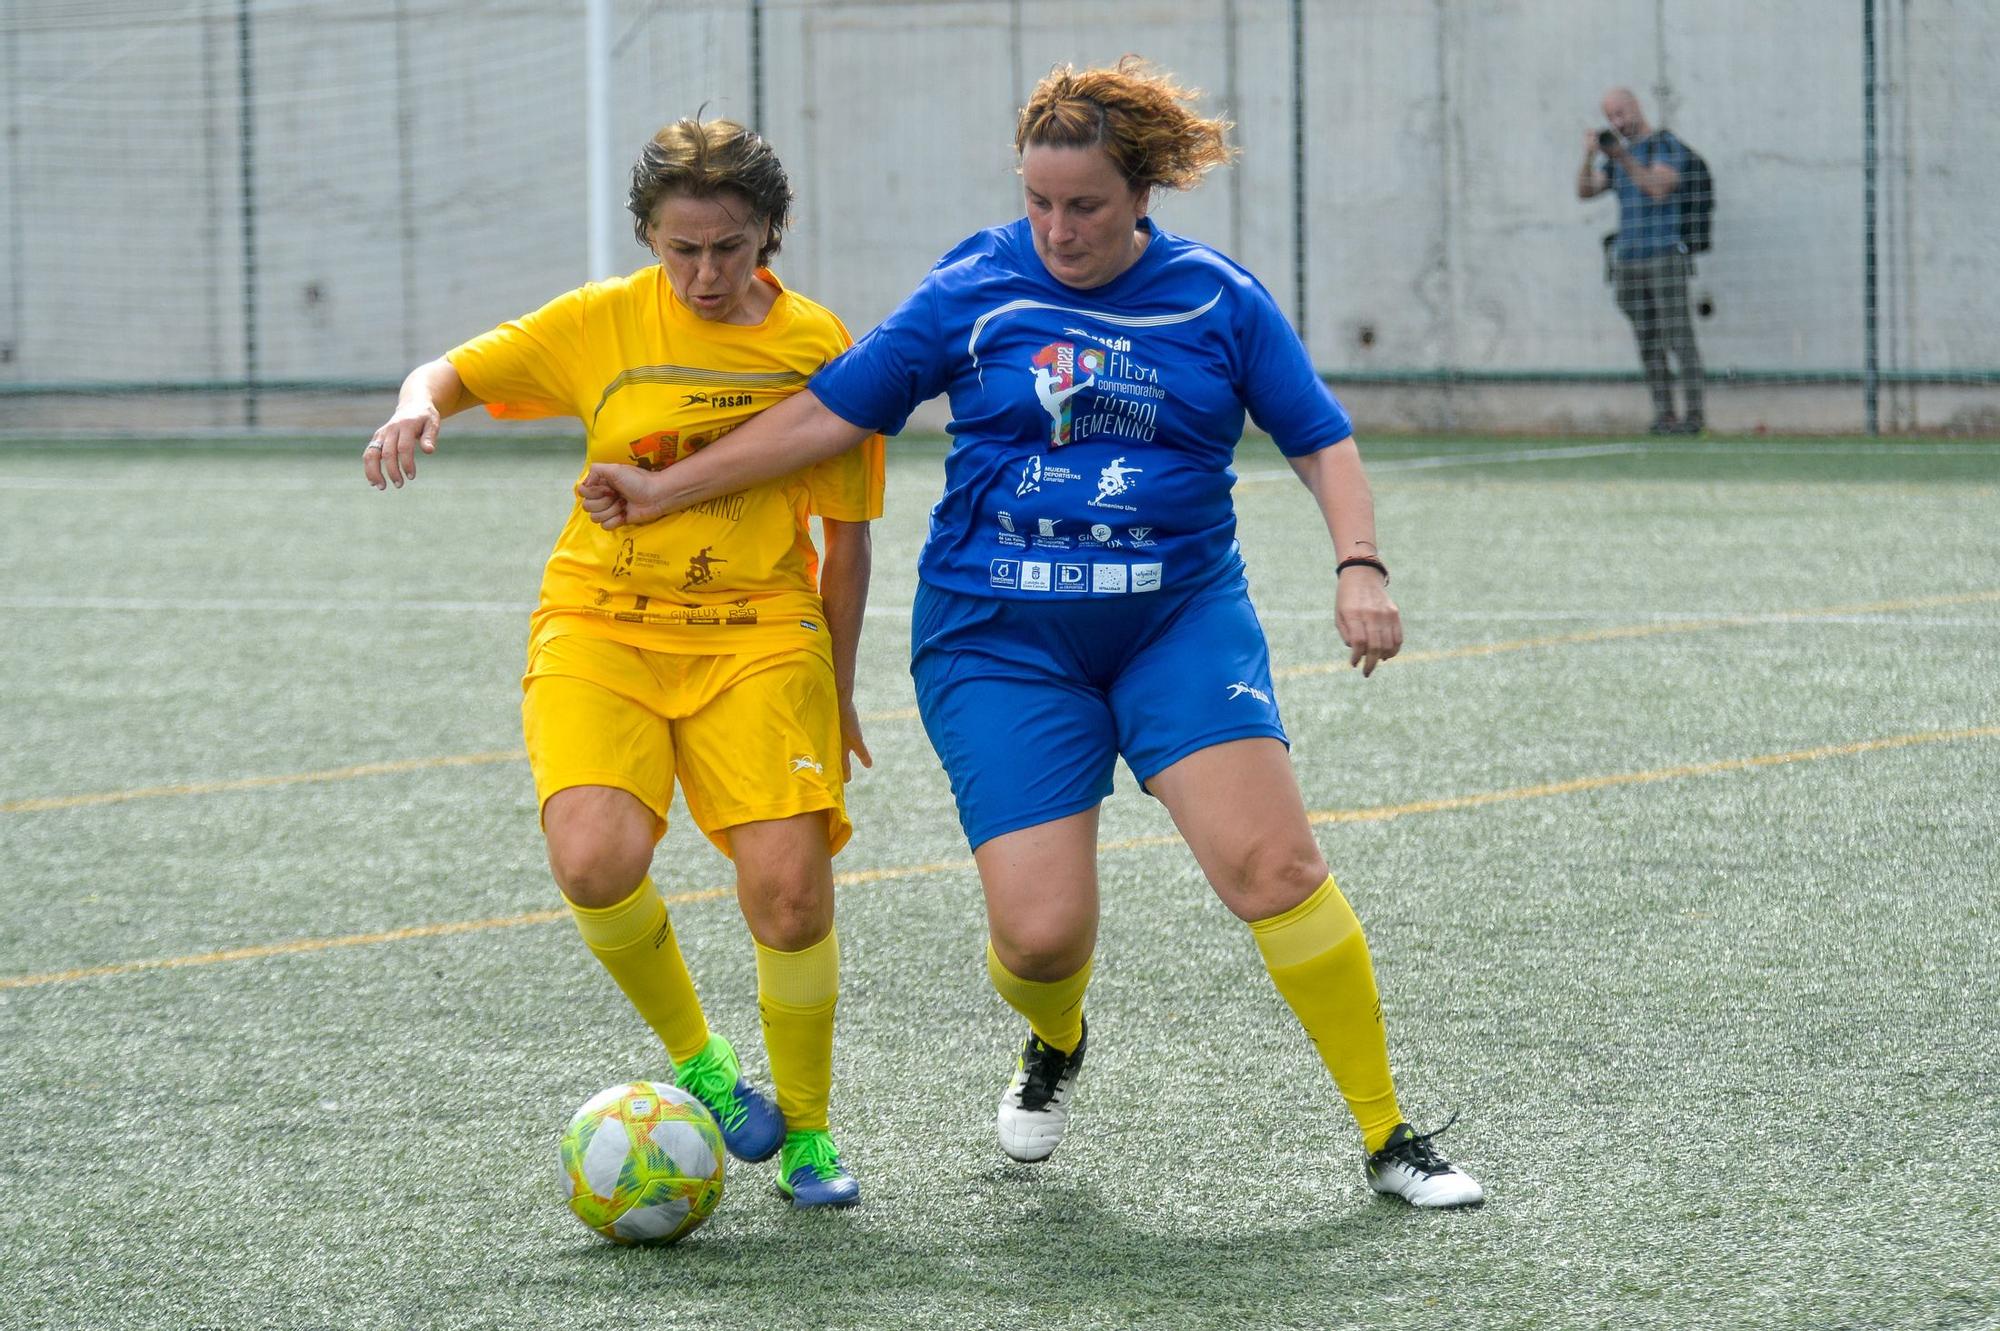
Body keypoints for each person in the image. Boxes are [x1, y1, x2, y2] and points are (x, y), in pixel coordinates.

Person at [576, 60, 1483, 1208]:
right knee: (1042, 938)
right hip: (999, 639)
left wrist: (1358, 563)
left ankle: (1387, 1131)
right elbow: (826, 411)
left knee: (1274, 867)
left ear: (1140, 193)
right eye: (1038, 202)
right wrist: (665, 490)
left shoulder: (1216, 299)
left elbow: (1317, 437)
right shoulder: (972, 286)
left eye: (1085, 206)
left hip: (1176, 621)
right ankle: (1056, 1040)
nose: (1057, 229)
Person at [362, 117, 884, 1208]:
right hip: (601, 622)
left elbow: (847, 539)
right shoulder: (602, 320)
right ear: (648, 236)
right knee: (593, 858)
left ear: (771, 234)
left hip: (756, 631)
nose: (703, 272)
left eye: (730, 246)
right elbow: (451, 371)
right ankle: (702, 1065)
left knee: (790, 897)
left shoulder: (820, 349)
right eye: (680, 247)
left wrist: (836, 689)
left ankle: (808, 1136)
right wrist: (415, 406)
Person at [1579, 86, 1706, 434]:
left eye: (1621, 113)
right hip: (1629, 258)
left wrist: (1623, 158)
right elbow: (1585, 191)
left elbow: (1658, 187)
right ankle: (1664, 414)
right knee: (1647, 340)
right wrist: (1590, 155)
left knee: (1679, 338)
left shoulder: (1665, 146)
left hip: (1664, 255)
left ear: (1636, 107)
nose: (1618, 122)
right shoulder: (1616, 158)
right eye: (1611, 117)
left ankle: (1693, 417)